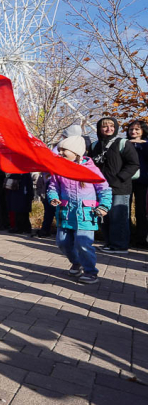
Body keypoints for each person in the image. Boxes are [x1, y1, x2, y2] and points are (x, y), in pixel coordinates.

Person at [48, 136, 111, 284]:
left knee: (83, 243)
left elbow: (104, 189)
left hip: (85, 214)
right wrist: (53, 197)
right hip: (66, 212)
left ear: (76, 152)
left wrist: (104, 206)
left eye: (64, 150)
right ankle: (76, 262)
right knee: (62, 242)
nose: (60, 152)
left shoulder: (91, 170)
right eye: (60, 149)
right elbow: (52, 187)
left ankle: (90, 271)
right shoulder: (59, 169)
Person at [88, 117, 139, 252]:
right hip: (100, 188)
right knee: (104, 216)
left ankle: (120, 246)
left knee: (119, 217)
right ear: (99, 129)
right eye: (105, 126)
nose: (109, 129)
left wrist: (119, 178)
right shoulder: (94, 146)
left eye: (112, 126)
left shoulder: (122, 143)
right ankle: (109, 243)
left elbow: (133, 164)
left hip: (120, 188)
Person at [126, 120, 148, 247]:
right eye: (131, 129)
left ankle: (141, 239)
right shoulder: (124, 143)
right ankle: (127, 237)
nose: (133, 132)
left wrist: (142, 145)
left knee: (141, 211)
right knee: (125, 210)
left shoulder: (146, 144)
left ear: (143, 130)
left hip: (143, 181)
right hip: (127, 181)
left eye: (137, 129)